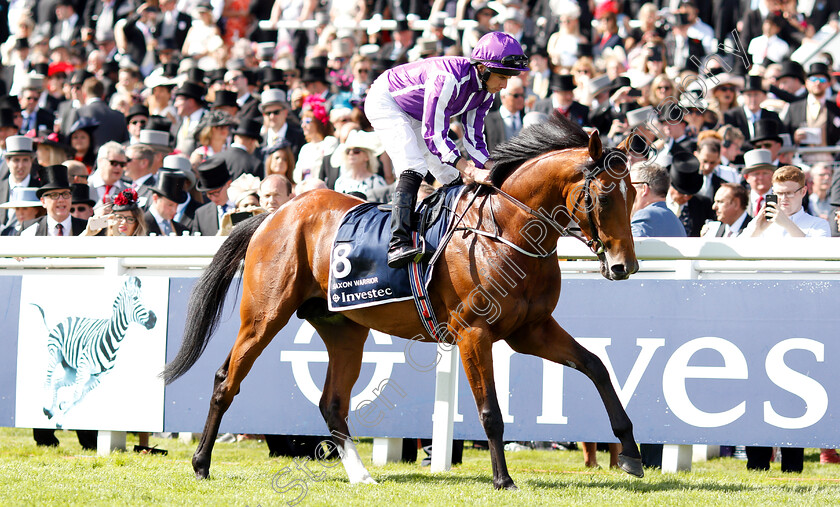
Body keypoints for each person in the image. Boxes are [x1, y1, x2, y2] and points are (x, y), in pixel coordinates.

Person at [365, 31, 529, 268]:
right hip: (387, 101)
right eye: (502, 76)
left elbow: (474, 139)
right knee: (414, 165)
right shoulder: (448, 79)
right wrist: (471, 171)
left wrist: (492, 169)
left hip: (416, 113)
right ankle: (398, 242)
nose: (505, 85)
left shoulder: (486, 94)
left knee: (450, 176)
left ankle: (445, 233)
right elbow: (434, 134)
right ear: (483, 68)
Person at [745, 165, 831, 238]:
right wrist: (756, 231)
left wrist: (786, 223)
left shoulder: (819, 224)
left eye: (789, 193)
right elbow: (739, 253)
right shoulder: (760, 223)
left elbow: (816, 254)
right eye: (779, 193)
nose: (783, 198)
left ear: (803, 192)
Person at [629, 162, 687, 238]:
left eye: (630, 186)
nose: (627, 192)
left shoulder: (644, 215)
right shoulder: (676, 221)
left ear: (644, 189)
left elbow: (629, 248)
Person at [333, 130, 387, 200]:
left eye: (356, 151)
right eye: (348, 151)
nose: (351, 153)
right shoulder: (340, 181)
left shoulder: (377, 181)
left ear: (367, 156)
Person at [0, 136, 41, 226]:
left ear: (31, 161)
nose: (21, 165)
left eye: (25, 160)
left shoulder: (39, 189)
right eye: (16, 160)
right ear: (7, 161)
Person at [191, 157, 233, 236]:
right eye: (209, 194)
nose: (213, 198)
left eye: (216, 192)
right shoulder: (201, 214)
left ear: (228, 183)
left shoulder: (243, 206)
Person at [485, 76, 526, 151]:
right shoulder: (487, 121)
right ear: (503, 97)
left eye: (522, 95)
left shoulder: (526, 119)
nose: (521, 99)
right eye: (516, 96)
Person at [145, 169, 190, 236]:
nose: (175, 210)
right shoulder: (141, 225)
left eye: (177, 205)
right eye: (170, 205)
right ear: (155, 198)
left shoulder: (181, 229)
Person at [742, 149, 777, 218]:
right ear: (747, 178)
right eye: (756, 174)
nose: (761, 177)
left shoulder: (781, 199)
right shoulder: (741, 201)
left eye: (765, 173)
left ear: (773, 175)